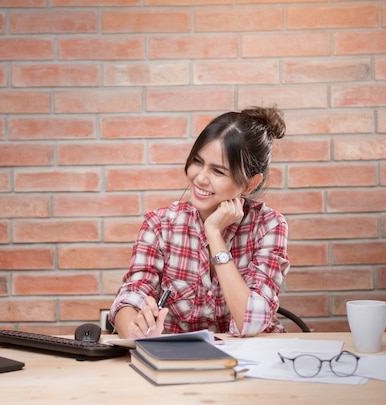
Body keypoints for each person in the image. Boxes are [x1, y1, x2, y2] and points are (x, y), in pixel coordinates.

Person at [109, 106, 290, 339]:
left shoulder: (269, 226)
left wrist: (214, 234)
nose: (200, 177)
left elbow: (250, 323)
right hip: (178, 361)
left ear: (250, 184)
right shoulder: (160, 225)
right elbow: (131, 296)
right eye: (197, 161)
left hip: (251, 362)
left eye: (218, 171)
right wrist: (132, 328)